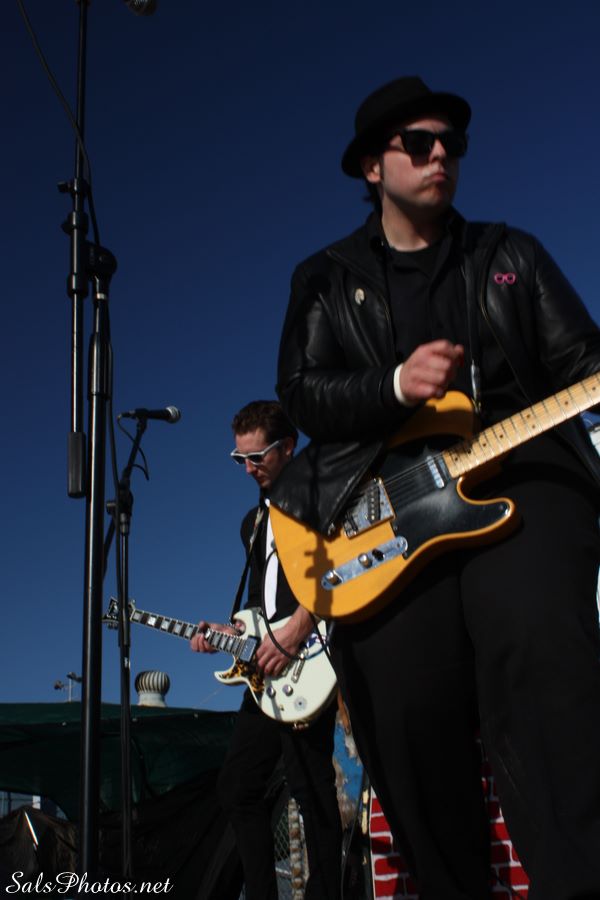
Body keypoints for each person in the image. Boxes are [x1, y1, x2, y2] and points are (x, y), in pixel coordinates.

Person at [272, 76, 600, 899]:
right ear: (371, 167)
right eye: (417, 143)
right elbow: (302, 393)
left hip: (520, 477)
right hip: (386, 510)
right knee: (407, 708)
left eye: (451, 141)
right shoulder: (326, 276)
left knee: (538, 652)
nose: (440, 154)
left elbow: (582, 364)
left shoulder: (511, 256)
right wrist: (393, 386)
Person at [190, 400, 342, 900]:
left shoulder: (320, 496)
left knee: (309, 786)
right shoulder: (252, 523)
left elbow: (343, 567)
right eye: (240, 459)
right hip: (267, 670)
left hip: (313, 657)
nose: (248, 468)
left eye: (257, 457)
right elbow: (261, 599)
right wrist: (230, 628)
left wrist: (297, 630)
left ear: (288, 447)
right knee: (237, 785)